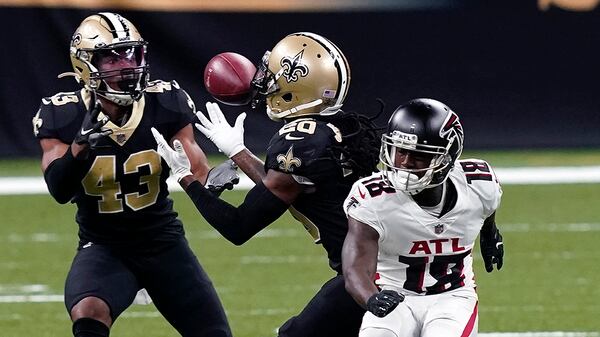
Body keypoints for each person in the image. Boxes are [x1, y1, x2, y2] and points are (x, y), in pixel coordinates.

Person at [151, 32, 382, 337]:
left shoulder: (299, 141)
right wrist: (238, 151)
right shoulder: (339, 127)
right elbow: (285, 188)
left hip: (367, 275)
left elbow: (238, 227)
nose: (264, 80)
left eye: (273, 75)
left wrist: (187, 178)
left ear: (297, 84)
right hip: (386, 262)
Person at [32, 12, 236, 337]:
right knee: (88, 313)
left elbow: (195, 167)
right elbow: (58, 188)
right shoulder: (63, 114)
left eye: (131, 53)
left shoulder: (165, 101)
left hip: (163, 242)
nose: (126, 65)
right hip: (103, 245)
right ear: (86, 64)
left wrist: (212, 181)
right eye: (111, 58)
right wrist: (79, 147)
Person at [341, 98, 505, 337]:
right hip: (395, 295)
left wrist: (489, 232)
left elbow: (487, 208)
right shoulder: (372, 197)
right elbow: (355, 269)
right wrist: (372, 298)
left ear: (446, 160)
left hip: (452, 296)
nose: (405, 163)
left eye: (418, 154)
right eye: (400, 151)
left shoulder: (479, 185)